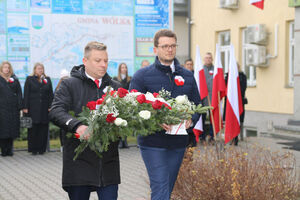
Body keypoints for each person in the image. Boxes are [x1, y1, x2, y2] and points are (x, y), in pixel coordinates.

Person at [129, 29, 201, 200]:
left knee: (166, 187)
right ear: (155, 49)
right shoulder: (142, 76)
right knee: (160, 186)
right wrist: (155, 121)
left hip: (178, 142)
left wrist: (191, 119)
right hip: (152, 142)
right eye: (165, 46)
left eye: (173, 46)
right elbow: (132, 108)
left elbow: (198, 105)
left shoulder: (188, 75)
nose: (170, 49)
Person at [49, 41, 121, 200]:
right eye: (98, 60)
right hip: (79, 163)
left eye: (106, 61)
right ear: (85, 61)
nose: (103, 65)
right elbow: (56, 111)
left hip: (108, 164)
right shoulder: (69, 84)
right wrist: (77, 126)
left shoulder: (116, 87)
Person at [23, 63, 53, 155]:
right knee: (33, 128)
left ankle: (42, 149)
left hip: (44, 108)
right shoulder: (29, 79)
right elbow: (26, 93)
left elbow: (50, 94)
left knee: (43, 128)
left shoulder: (47, 79)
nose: (40, 70)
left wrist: (50, 106)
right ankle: (33, 149)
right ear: (35, 70)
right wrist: (25, 107)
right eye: (38, 68)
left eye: (42, 68)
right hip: (33, 108)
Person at [0, 61, 22, 156]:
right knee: (3, 129)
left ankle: (10, 150)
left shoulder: (14, 79)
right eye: (5, 67)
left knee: (11, 130)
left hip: (13, 109)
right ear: (1, 68)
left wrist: (20, 106)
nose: (7, 69)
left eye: (8, 67)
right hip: (2, 108)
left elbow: (19, 93)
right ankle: (3, 150)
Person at [224, 63, 247, 145]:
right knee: (229, 119)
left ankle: (236, 138)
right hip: (229, 102)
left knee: (238, 119)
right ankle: (230, 137)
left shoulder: (242, 76)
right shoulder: (227, 76)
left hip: (238, 102)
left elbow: (243, 89)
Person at [113, 63, 131, 148]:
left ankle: (125, 140)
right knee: (118, 121)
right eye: (122, 67)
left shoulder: (130, 79)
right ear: (119, 69)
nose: (124, 69)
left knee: (126, 121)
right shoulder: (115, 79)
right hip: (118, 102)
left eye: (125, 67)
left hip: (127, 102)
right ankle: (119, 141)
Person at [55, 69, 70, 152]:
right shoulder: (58, 89)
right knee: (62, 130)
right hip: (62, 112)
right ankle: (62, 145)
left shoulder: (71, 86)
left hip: (69, 111)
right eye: (63, 78)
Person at [183, 58, 197, 147]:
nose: (189, 66)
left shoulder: (196, 75)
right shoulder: (181, 76)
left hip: (193, 106)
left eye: (191, 64)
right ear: (185, 65)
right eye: (187, 64)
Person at [201, 52, 214, 142]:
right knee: (202, 117)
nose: (208, 59)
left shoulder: (216, 69)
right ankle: (202, 136)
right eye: (206, 58)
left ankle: (212, 135)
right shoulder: (201, 69)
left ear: (212, 59)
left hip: (213, 98)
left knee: (213, 118)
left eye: (209, 58)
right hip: (203, 97)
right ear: (204, 59)